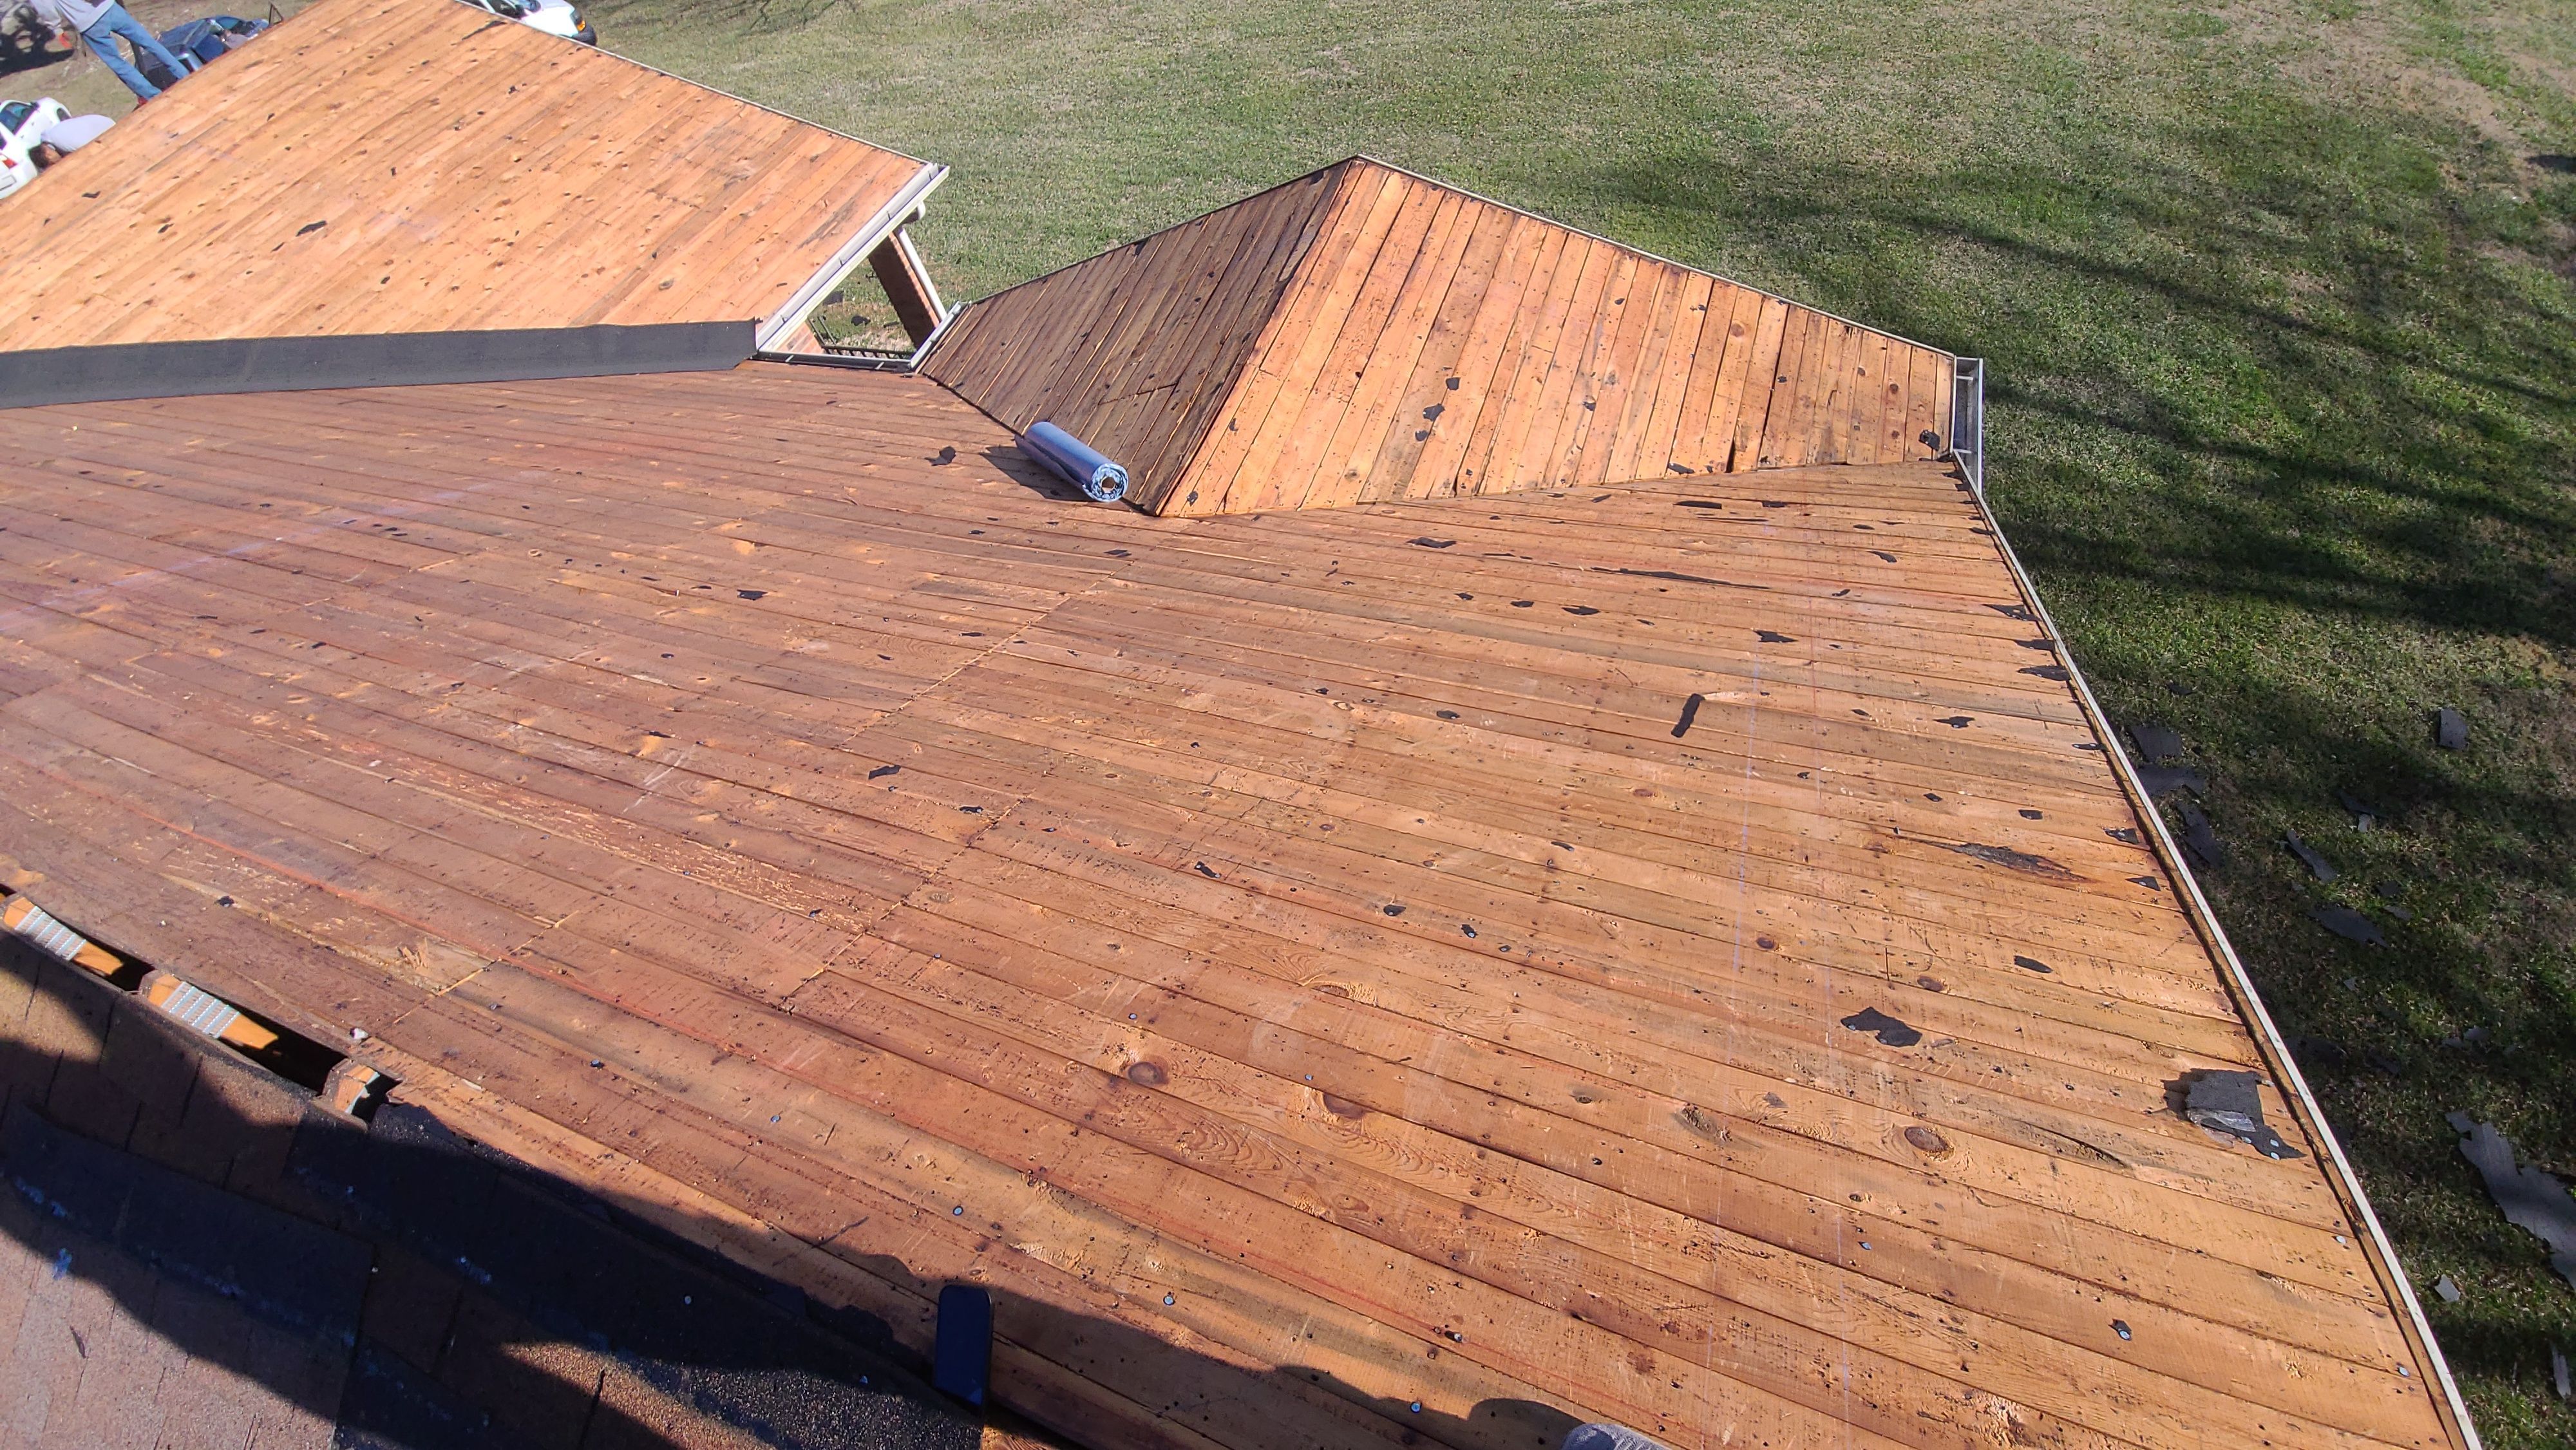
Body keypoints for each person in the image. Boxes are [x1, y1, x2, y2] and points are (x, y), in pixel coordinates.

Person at [29, 0, 185, 102]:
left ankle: (153, 96)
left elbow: (46, 10)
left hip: (89, 25)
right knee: (149, 43)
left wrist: (56, 29)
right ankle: (183, 74)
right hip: (108, 6)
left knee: (119, 64)